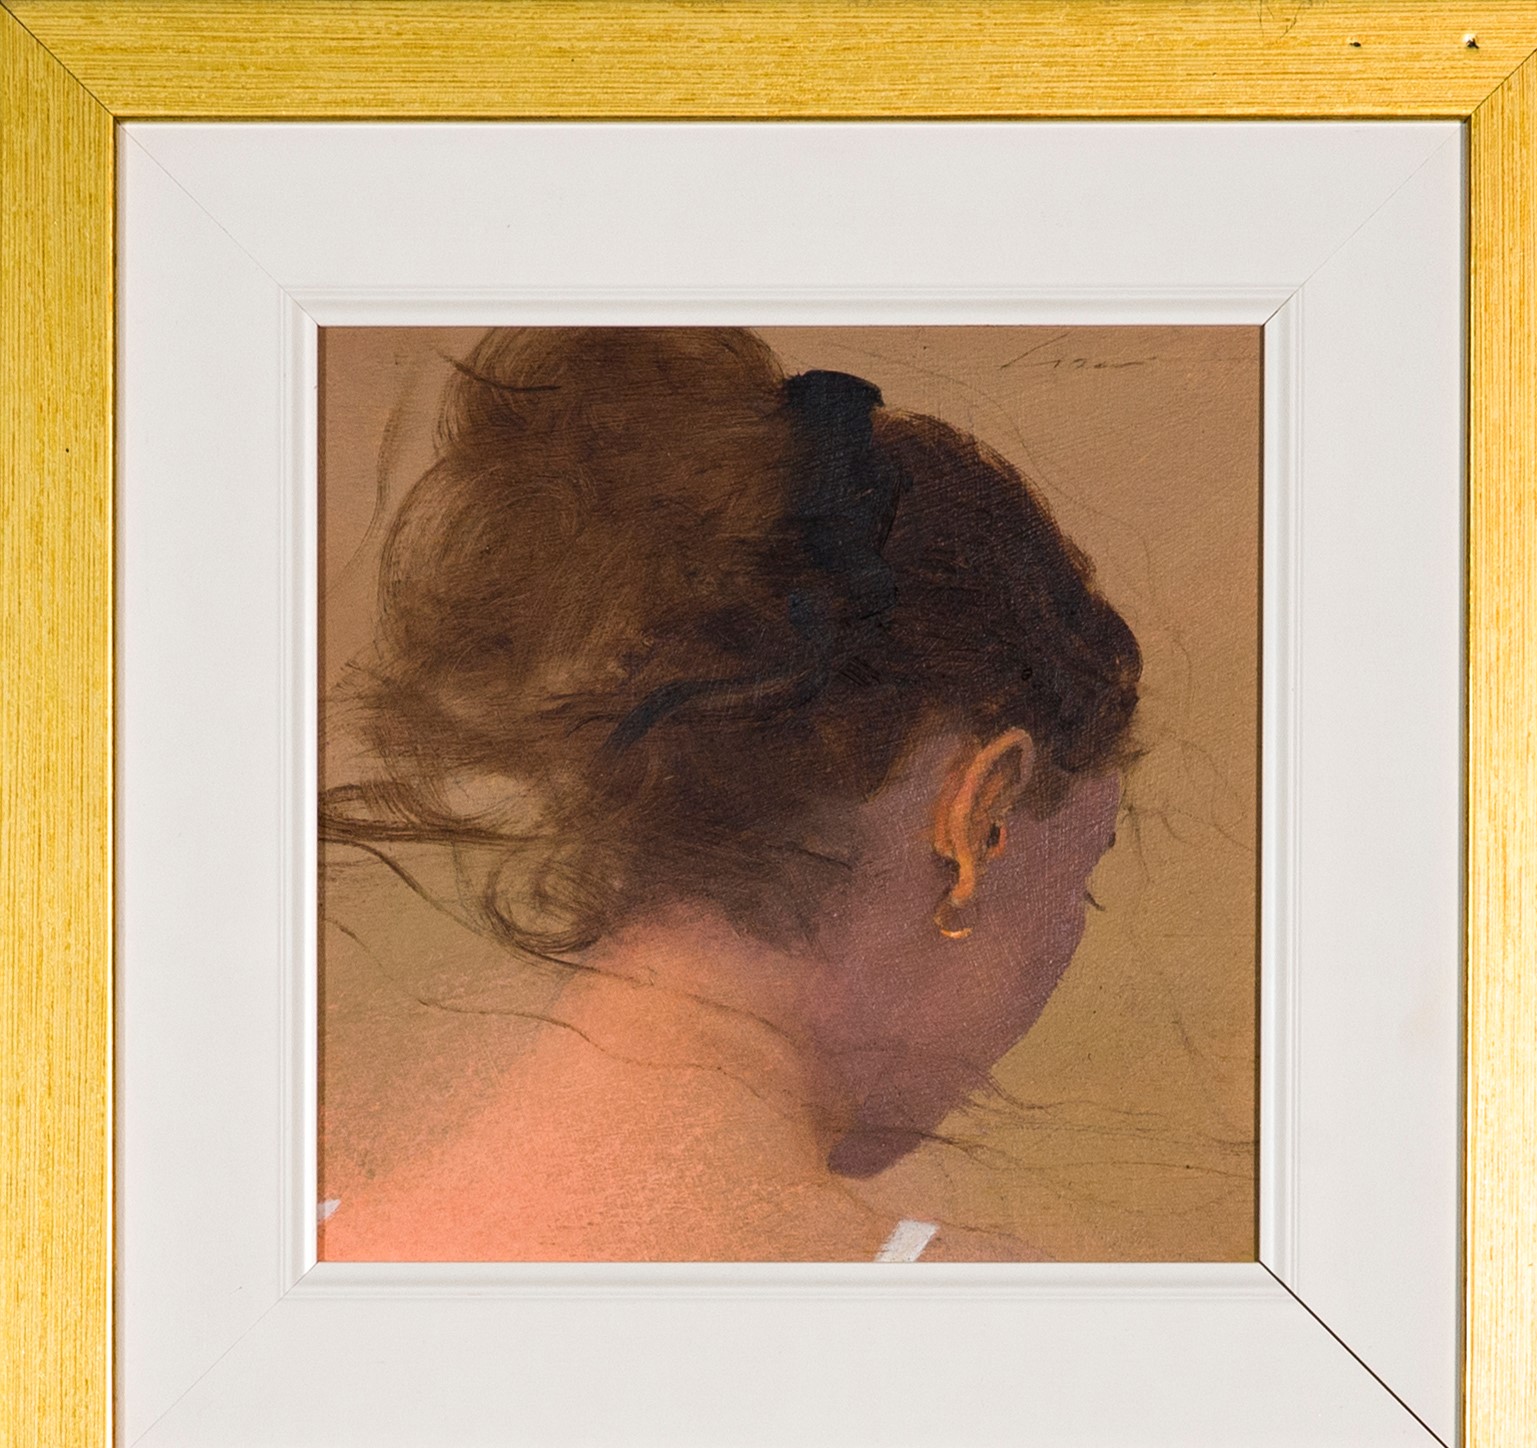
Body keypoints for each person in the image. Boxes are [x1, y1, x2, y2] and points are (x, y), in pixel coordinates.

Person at [319, 326, 1140, 1262]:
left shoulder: (286, 1257)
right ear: (976, 820)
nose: (1066, 932)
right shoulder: (986, 1311)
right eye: (1080, 881)